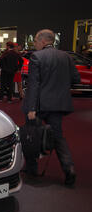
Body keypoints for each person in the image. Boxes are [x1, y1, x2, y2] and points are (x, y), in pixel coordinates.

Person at [22, 29, 80, 186]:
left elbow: (34, 85)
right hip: (58, 105)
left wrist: (32, 109)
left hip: (39, 105)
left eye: (35, 41)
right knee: (58, 137)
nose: (34, 44)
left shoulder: (37, 57)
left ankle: (31, 168)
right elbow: (76, 78)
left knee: (31, 136)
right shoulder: (66, 56)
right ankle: (69, 169)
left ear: (42, 41)